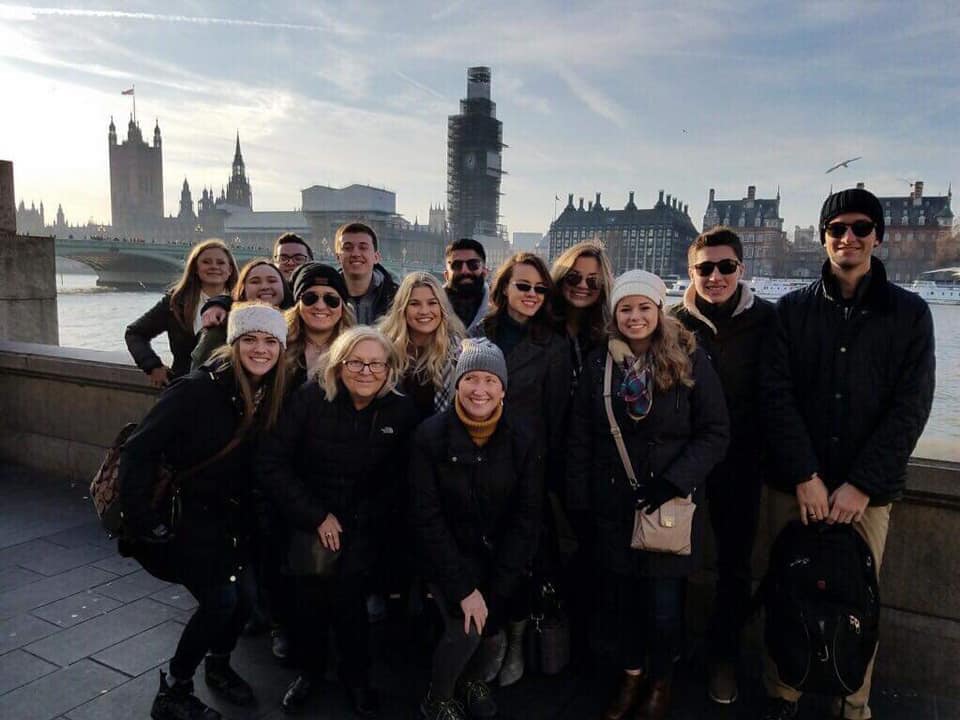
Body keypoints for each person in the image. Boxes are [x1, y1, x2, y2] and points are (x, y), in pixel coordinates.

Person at [759, 188, 935, 720]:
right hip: (794, 486)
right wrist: (804, 474)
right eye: (837, 229)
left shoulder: (910, 314)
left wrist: (861, 483)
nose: (849, 238)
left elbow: (911, 408)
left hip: (867, 495)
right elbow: (775, 395)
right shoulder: (791, 311)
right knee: (783, 593)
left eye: (861, 228)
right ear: (824, 238)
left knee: (861, 600)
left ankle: (853, 705)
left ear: (877, 236)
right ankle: (781, 696)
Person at [567, 270, 729, 720]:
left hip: (667, 509)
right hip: (614, 507)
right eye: (625, 308)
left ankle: (661, 681)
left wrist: (674, 481)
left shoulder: (691, 359)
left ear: (659, 311)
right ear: (614, 315)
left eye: (643, 307)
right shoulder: (600, 363)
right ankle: (631, 676)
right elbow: (581, 437)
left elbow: (715, 432)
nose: (635, 317)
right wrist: (580, 500)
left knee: (663, 610)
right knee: (621, 607)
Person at [119, 302, 288, 720]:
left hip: (233, 519)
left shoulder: (272, 390)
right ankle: (174, 691)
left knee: (246, 600)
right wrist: (143, 519)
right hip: (189, 517)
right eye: (250, 339)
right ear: (233, 342)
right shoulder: (196, 389)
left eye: (271, 341)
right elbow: (139, 449)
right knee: (221, 601)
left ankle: (219, 664)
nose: (261, 349)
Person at [257, 326, 419, 717]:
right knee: (308, 602)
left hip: (366, 523)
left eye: (376, 363)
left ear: (389, 368)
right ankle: (309, 672)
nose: (366, 371)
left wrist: (361, 520)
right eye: (356, 362)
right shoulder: (310, 400)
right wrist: (316, 516)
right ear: (339, 365)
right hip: (311, 518)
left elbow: (404, 478)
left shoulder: (402, 411)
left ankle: (356, 679)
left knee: (351, 604)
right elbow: (271, 462)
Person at [668, 227, 779, 705]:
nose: (715, 277)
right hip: (685, 461)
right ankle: (665, 655)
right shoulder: (672, 322)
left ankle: (724, 658)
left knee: (735, 567)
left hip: (741, 462)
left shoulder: (770, 321)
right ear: (691, 272)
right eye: (704, 268)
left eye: (725, 267)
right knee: (671, 560)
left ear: (741, 268)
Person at [411, 339, 542, 720]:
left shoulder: (522, 436)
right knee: (466, 626)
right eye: (471, 379)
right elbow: (426, 517)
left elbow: (527, 516)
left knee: (492, 616)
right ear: (457, 384)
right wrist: (464, 588)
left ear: (503, 388)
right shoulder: (429, 436)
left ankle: (470, 680)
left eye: (489, 380)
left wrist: (497, 585)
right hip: (446, 555)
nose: (480, 389)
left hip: (499, 556)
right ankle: (437, 698)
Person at [472, 251, 571, 685]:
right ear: (504, 287)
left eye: (539, 288)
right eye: (522, 286)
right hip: (477, 460)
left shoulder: (554, 344)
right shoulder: (479, 334)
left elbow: (557, 416)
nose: (531, 294)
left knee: (523, 559)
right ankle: (487, 639)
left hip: (527, 467)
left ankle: (513, 640)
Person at [125, 239, 239, 386]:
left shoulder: (241, 305)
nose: (214, 267)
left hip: (229, 392)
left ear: (230, 270)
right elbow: (134, 333)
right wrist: (152, 366)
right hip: (184, 389)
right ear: (195, 269)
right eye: (206, 262)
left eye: (221, 263)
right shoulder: (175, 303)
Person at [379, 271, 466, 420]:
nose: (424, 311)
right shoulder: (381, 346)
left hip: (436, 438)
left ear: (442, 308)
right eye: (414, 304)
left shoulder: (459, 353)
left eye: (432, 303)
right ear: (403, 308)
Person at [191, 258, 292, 370]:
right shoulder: (220, 328)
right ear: (243, 290)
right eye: (255, 281)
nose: (264, 286)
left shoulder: (299, 325)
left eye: (272, 281)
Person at [550, 241, 615, 388]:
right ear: (561, 278)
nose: (583, 286)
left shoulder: (610, 334)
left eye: (593, 281)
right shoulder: (540, 325)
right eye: (574, 277)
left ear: (603, 285)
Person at [284, 262, 355, 387]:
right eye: (310, 298)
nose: (320, 306)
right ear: (297, 305)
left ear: (343, 307)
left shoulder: (355, 349)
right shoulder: (280, 345)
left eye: (331, 299)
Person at [334, 222, 398, 325]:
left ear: (376, 257)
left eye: (363, 248)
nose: (355, 254)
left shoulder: (396, 298)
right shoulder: (324, 297)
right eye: (348, 248)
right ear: (338, 258)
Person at [444, 238, 490, 335]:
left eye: (473, 265)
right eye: (456, 265)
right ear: (446, 275)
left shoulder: (500, 313)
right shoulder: (430, 311)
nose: (465, 271)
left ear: (485, 272)